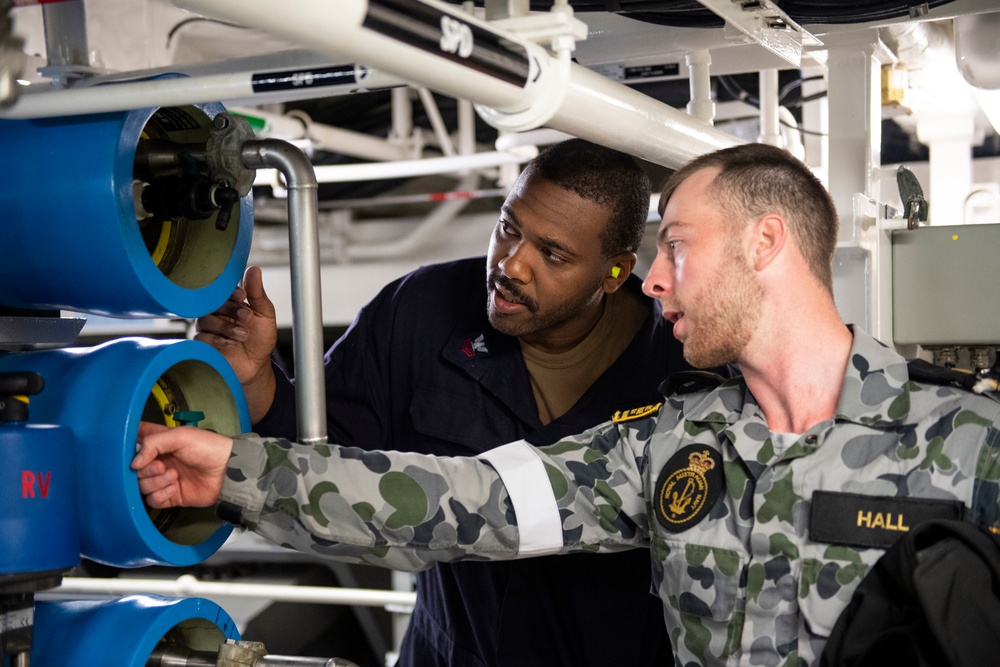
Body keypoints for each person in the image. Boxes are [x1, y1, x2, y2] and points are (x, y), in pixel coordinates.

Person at [133, 142, 1000, 667]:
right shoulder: (672, 442)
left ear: (765, 242)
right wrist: (235, 468)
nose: (654, 280)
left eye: (678, 250)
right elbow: (464, 503)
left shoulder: (966, 440)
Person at [193, 139, 689, 666]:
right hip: (447, 653)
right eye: (508, 227)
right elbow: (323, 453)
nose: (513, 264)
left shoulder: (678, 369)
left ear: (614, 272)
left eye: (552, 253)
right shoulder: (421, 309)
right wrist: (258, 381)